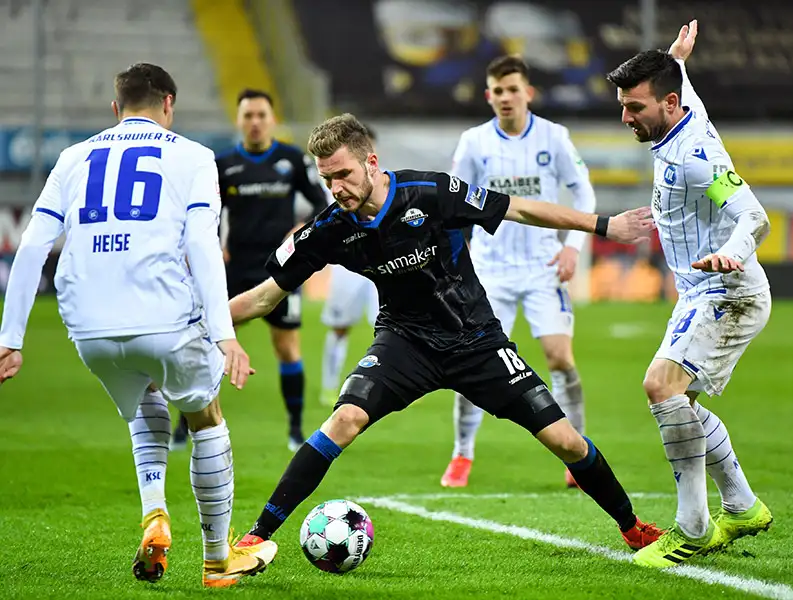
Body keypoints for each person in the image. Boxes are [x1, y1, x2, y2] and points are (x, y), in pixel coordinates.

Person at [227, 113, 665, 555]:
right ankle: (255, 538)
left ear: (371, 162)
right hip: (404, 343)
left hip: (475, 339)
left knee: (565, 440)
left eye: (343, 174)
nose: (336, 188)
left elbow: (518, 208)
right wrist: (210, 329)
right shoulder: (328, 230)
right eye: (328, 180)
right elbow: (263, 298)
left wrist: (603, 225)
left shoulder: (431, 192)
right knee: (344, 420)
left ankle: (633, 527)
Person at [0, 63, 276, 586]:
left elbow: (32, 245)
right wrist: (224, 334)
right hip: (164, 317)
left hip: (89, 329)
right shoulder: (194, 156)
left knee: (144, 390)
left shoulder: (72, 157)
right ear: (168, 104)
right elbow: (202, 244)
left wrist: (10, 339)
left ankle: (154, 513)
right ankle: (218, 559)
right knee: (206, 416)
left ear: (115, 108)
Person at [606, 21, 774, 568]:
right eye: (623, 106)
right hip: (699, 292)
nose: (626, 117)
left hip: (728, 291)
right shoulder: (680, 112)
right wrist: (674, 56)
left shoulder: (697, 157)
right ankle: (743, 508)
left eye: (634, 107)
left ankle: (693, 530)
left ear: (669, 103)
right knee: (683, 405)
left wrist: (733, 252)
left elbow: (754, 216)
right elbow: (680, 80)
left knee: (661, 386)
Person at [442, 55, 597, 489]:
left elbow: (583, 192)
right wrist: (456, 260)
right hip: (489, 273)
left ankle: (577, 454)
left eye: (513, 89)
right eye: (498, 91)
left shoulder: (554, 136)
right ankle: (462, 453)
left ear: (528, 92)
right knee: (473, 365)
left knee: (560, 358)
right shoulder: (474, 142)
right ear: (488, 96)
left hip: (544, 266)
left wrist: (572, 248)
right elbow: (452, 204)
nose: (506, 97)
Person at [171, 89, 329, 451]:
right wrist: (211, 250)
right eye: (248, 116)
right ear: (239, 120)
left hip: (282, 271)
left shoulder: (292, 160)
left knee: (287, 346)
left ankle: (295, 429)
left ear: (272, 119)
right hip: (234, 270)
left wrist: (299, 232)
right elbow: (206, 216)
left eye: (261, 115)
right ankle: (185, 425)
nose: (255, 122)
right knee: (208, 344)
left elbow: (322, 205)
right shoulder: (223, 165)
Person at [319, 124, 380, 406]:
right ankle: (330, 386)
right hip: (347, 266)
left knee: (391, 327)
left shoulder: (387, 183)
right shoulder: (336, 184)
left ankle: (395, 384)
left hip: (383, 265)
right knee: (340, 327)